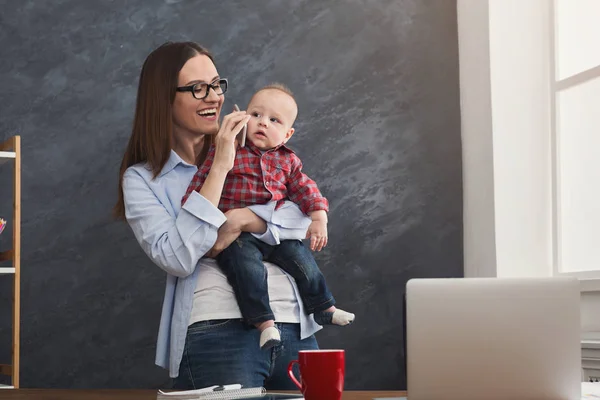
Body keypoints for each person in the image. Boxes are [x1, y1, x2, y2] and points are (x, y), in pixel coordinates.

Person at [114, 41, 324, 390]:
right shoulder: (142, 178)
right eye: (198, 88)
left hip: (297, 325)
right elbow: (178, 257)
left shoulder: (257, 142)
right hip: (219, 329)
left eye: (216, 85)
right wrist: (220, 166)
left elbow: (303, 217)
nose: (213, 97)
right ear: (164, 98)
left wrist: (241, 220)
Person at [182, 84, 355, 350]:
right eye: (256, 114)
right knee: (246, 270)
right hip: (238, 236)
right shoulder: (228, 151)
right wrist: (193, 203)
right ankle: (264, 323)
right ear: (243, 117)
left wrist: (319, 217)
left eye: (274, 120)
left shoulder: (288, 161)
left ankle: (324, 307)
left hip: (274, 234)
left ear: (287, 134)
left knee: (303, 261)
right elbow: (200, 181)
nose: (262, 123)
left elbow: (306, 189)